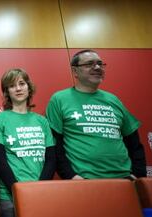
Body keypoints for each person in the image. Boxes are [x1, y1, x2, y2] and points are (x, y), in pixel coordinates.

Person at [46, 49, 146, 180]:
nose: (97, 67)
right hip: (85, 181)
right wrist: (70, 176)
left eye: (100, 63)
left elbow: (133, 141)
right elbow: (55, 143)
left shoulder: (113, 100)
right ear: (75, 71)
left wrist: (137, 174)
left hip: (125, 179)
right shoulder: (59, 99)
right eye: (89, 64)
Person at [0, 68, 55, 217]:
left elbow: (51, 159)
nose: (18, 88)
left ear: (29, 87)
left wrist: (40, 188)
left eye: (22, 83)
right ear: (7, 92)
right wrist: (17, 189)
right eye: (12, 86)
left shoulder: (42, 121)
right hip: (10, 197)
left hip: (42, 193)